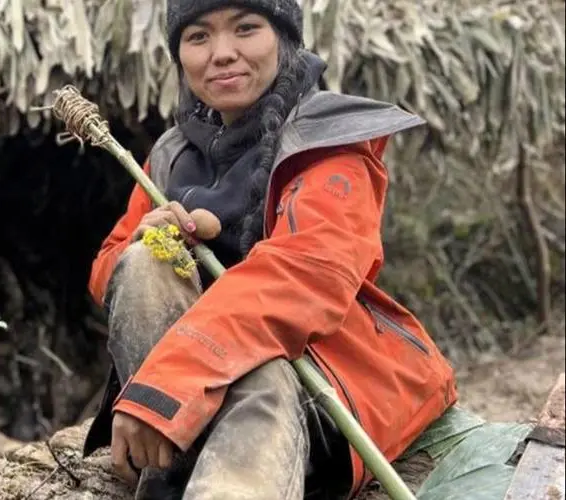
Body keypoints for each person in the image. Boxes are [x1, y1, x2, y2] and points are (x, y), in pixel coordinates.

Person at [80, 1, 459, 499]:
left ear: (283, 39)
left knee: (262, 380)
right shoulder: (170, 153)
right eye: (198, 38)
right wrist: (152, 237)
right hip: (196, 388)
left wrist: (165, 387)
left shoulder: (328, 140)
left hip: (319, 379)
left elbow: (307, 275)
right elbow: (109, 265)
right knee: (147, 258)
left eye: (245, 29)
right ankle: (174, 466)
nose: (222, 53)